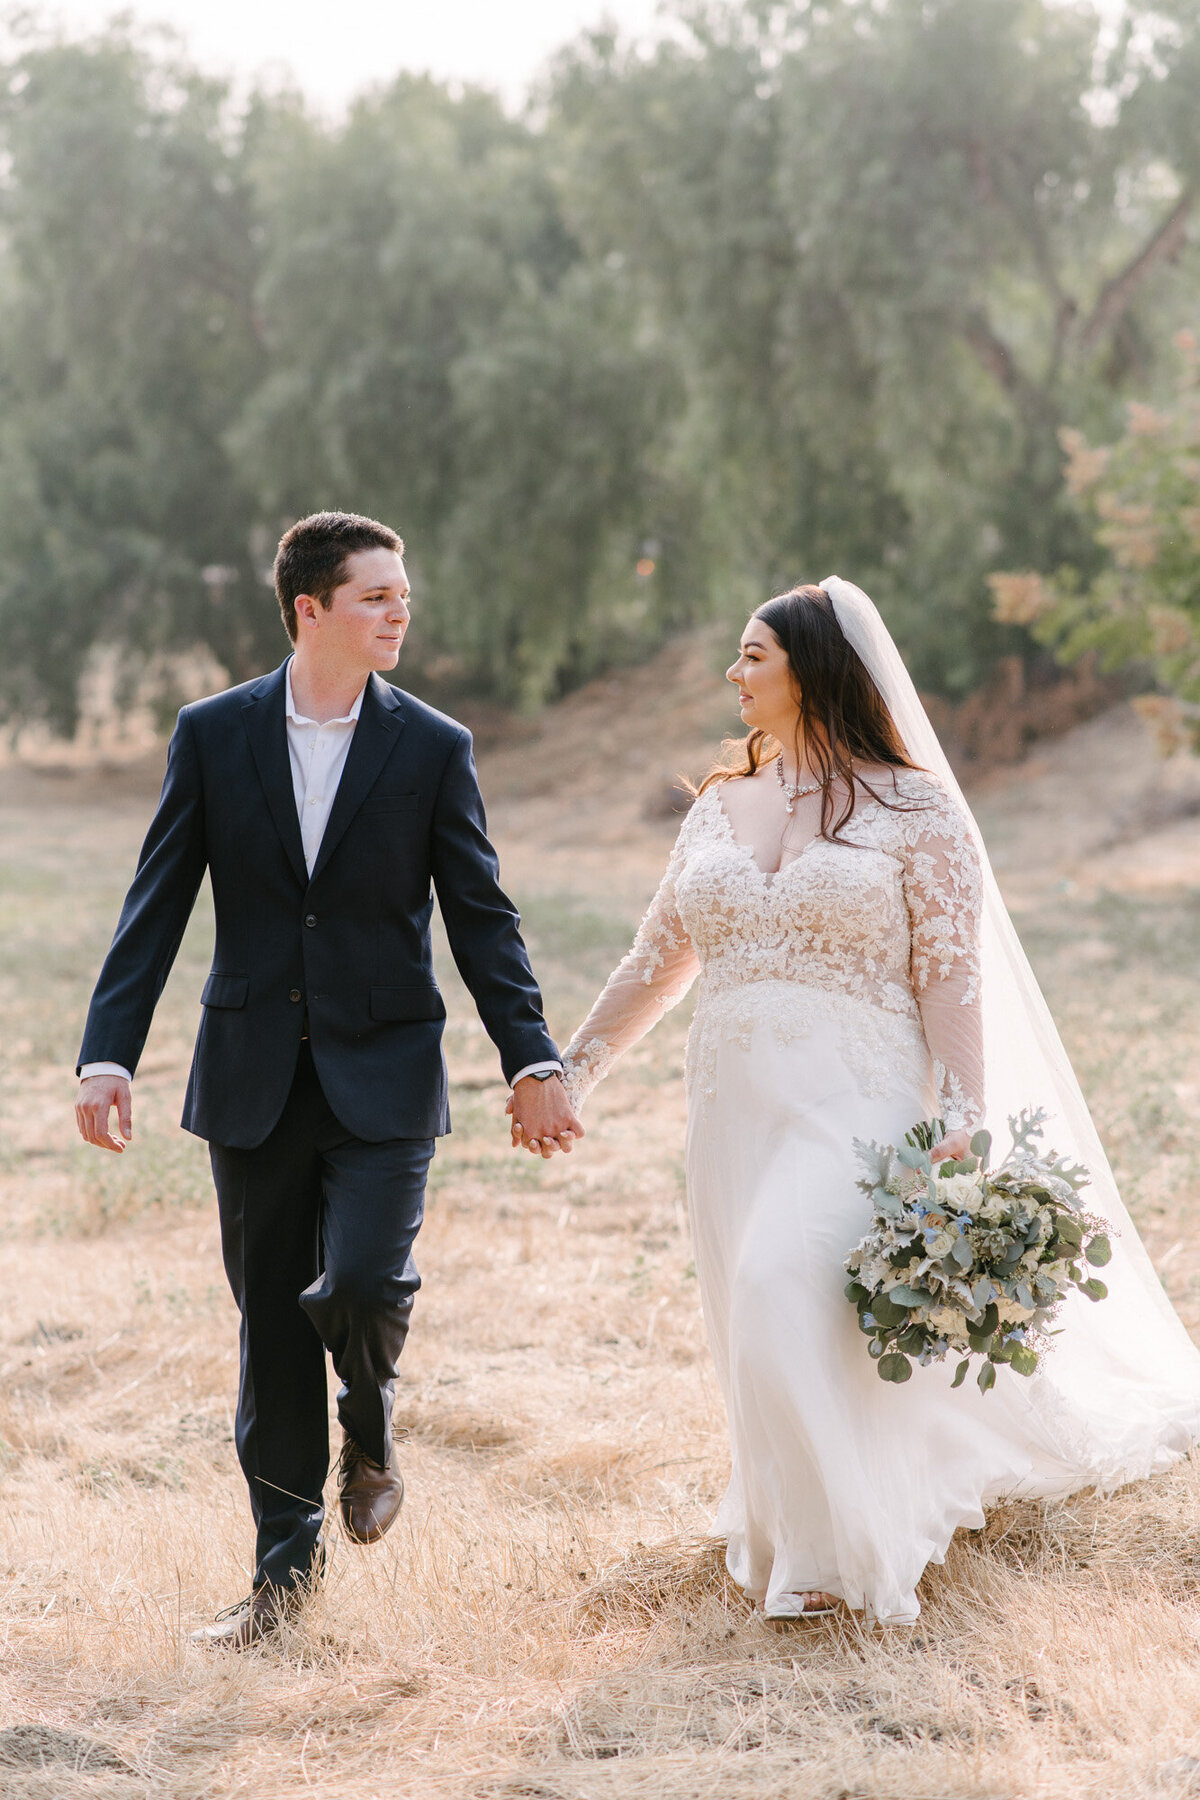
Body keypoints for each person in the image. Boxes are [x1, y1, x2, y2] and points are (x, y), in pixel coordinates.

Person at [558, 578, 1200, 1624]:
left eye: (754, 655)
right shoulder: (720, 805)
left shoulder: (918, 810)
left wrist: (962, 1108)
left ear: (815, 669)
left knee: (780, 1286)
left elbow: (952, 971)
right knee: (777, 1314)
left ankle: (832, 1558)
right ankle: (803, 1519)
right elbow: (655, 959)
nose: (735, 673)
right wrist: (572, 1069)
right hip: (732, 1104)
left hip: (858, 1093)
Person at [74, 510, 582, 1648]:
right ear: (310, 609)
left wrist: (532, 1056)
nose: (401, 612)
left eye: (404, 596)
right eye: (377, 597)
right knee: (269, 1329)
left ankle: (374, 1422)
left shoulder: (434, 747)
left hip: (388, 1072)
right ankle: (281, 1587)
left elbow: (482, 920)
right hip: (252, 1075)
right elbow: (155, 902)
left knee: (356, 1284)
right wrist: (110, 1051)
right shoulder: (213, 734)